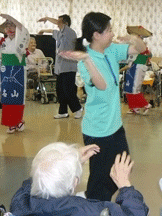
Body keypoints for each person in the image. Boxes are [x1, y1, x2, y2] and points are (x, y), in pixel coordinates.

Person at [60, 12, 147, 201]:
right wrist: (88, 60)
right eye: (109, 30)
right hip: (98, 130)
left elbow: (140, 49)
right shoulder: (84, 60)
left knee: (122, 166)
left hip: (115, 125)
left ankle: (90, 199)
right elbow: (102, 85)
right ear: (96, 35)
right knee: (100, 178)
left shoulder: (112, 50)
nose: (112, 33)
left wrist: (133, 37)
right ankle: (92, 207)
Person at [10, 143, 149, 216]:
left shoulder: (19, 203)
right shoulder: (91, 213)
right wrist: (125, 186)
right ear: (75, 183)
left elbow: (31, 183)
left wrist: (70, 162)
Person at [38, 14, 83, 119]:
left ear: (65, 23)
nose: (58, 24)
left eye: (60, 22)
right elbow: (52, 31)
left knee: (68, 90)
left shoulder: (70, 32)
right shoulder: (60, 34)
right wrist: (42, 30)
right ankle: (63, 112)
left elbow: (57, 24)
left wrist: (47, 18)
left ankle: (78, 108)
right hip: (60, 68)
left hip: (69, 67)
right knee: (60, 90)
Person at [0, 14, 30, 133]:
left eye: (12, 26)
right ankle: (10, 123)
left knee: (18, 98)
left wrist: (12, 19)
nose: (10, 30)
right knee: (7, 98)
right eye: (7, 27)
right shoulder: (1, 41)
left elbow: (24, 30)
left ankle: (18, 120)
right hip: (5, 73)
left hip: (18, 72)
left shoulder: (21, 41)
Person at [121, 26, 153, 115]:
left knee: (134, 89)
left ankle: (145, 105)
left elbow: (148, 56)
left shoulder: (141, 46)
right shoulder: (139, 46)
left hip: (137, 67)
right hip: (134, 67)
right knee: (129, 88)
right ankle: (134, 107)